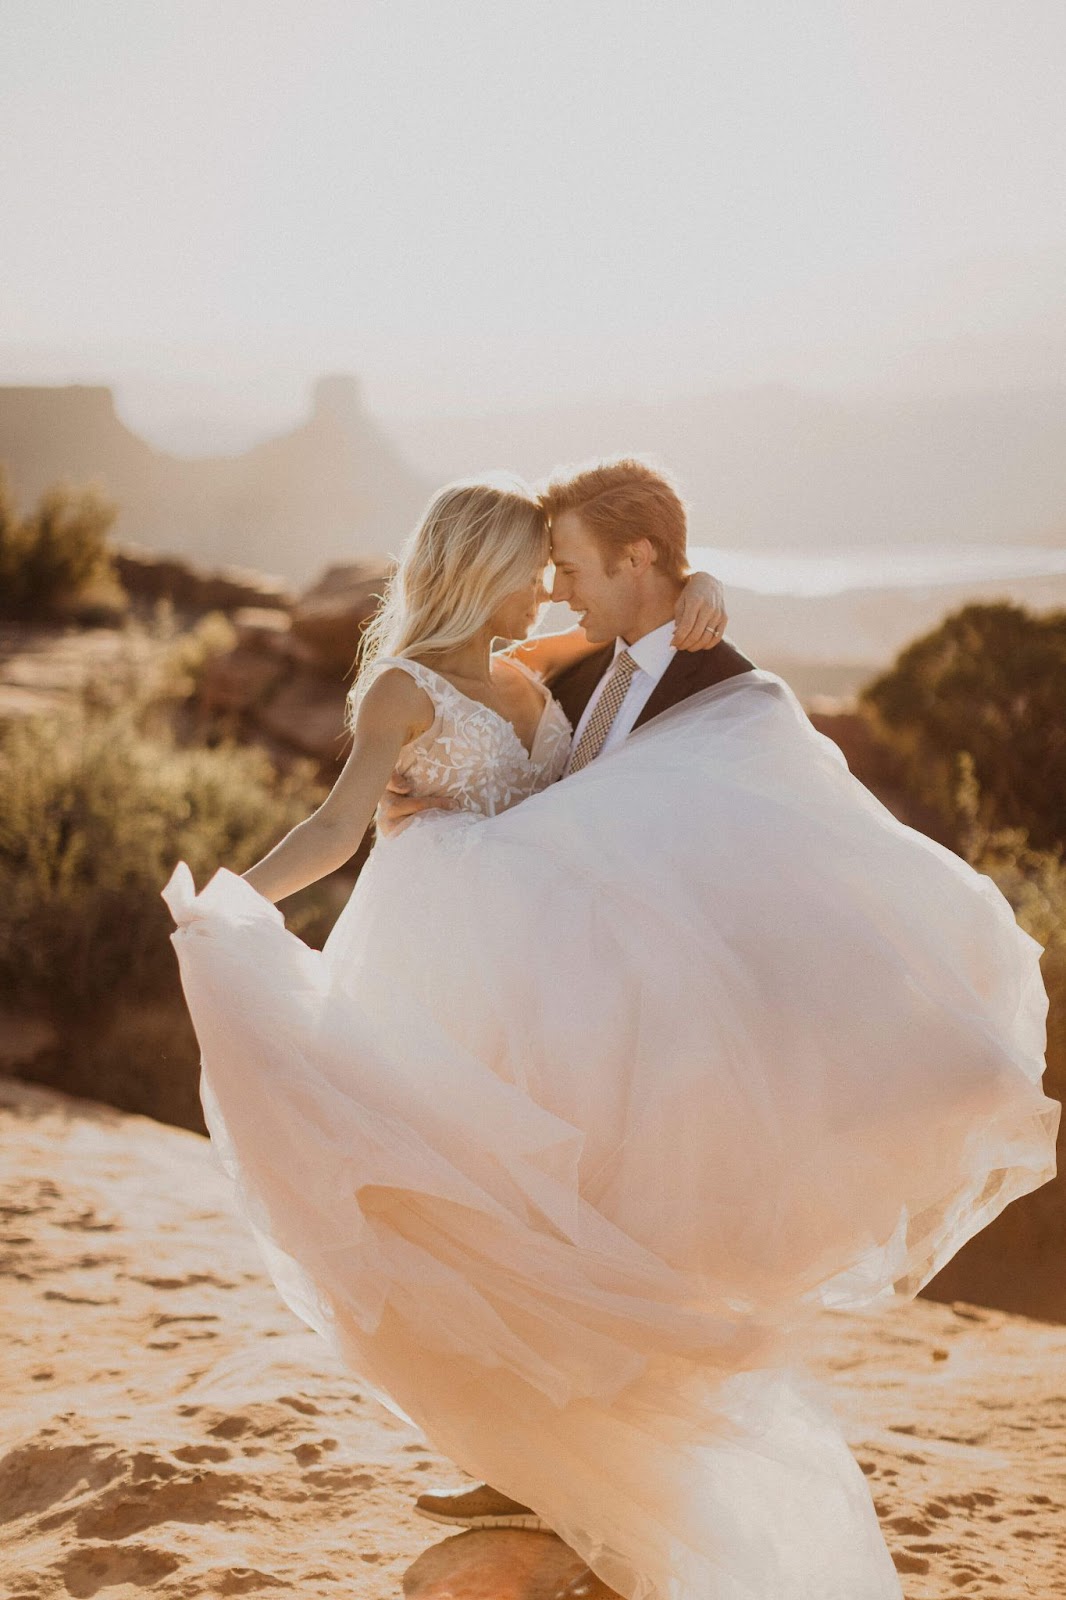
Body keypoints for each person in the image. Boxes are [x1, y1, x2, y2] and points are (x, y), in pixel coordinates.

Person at [162, 459, 1058, 1600]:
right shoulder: (403, 689)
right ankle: (515, 1459)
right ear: (475, 571)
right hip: (463, 956)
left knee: (572, 1213)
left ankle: (540, 1465)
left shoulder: (536, 672)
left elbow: (651, 649)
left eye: (561, 571)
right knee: (479, 1207)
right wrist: (237, 896)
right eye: (533, 573)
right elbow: (340, 822)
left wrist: (704, 581)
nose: (547, 592)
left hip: (562, 974)